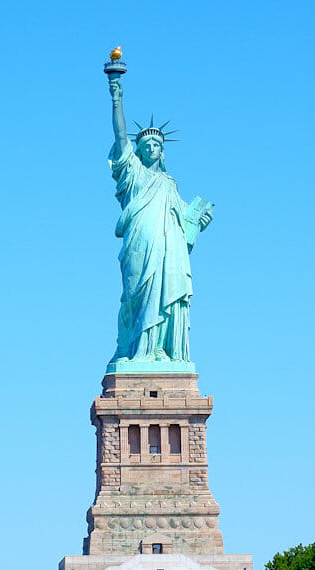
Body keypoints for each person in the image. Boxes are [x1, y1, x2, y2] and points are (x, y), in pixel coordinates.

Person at [106, 68, 211, 367]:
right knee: (136, 296)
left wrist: (196, 224)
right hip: (140, 243)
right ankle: (137, 350)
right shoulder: (133, 173)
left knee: (168, 293)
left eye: (157, 145)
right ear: (138, 150)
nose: (151, 148)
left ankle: (162, 351)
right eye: (146, 145)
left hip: (169, 251)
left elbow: (184, 226)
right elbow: (119, 135)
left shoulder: (169, 185)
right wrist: (117, 98)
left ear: (162, 152)